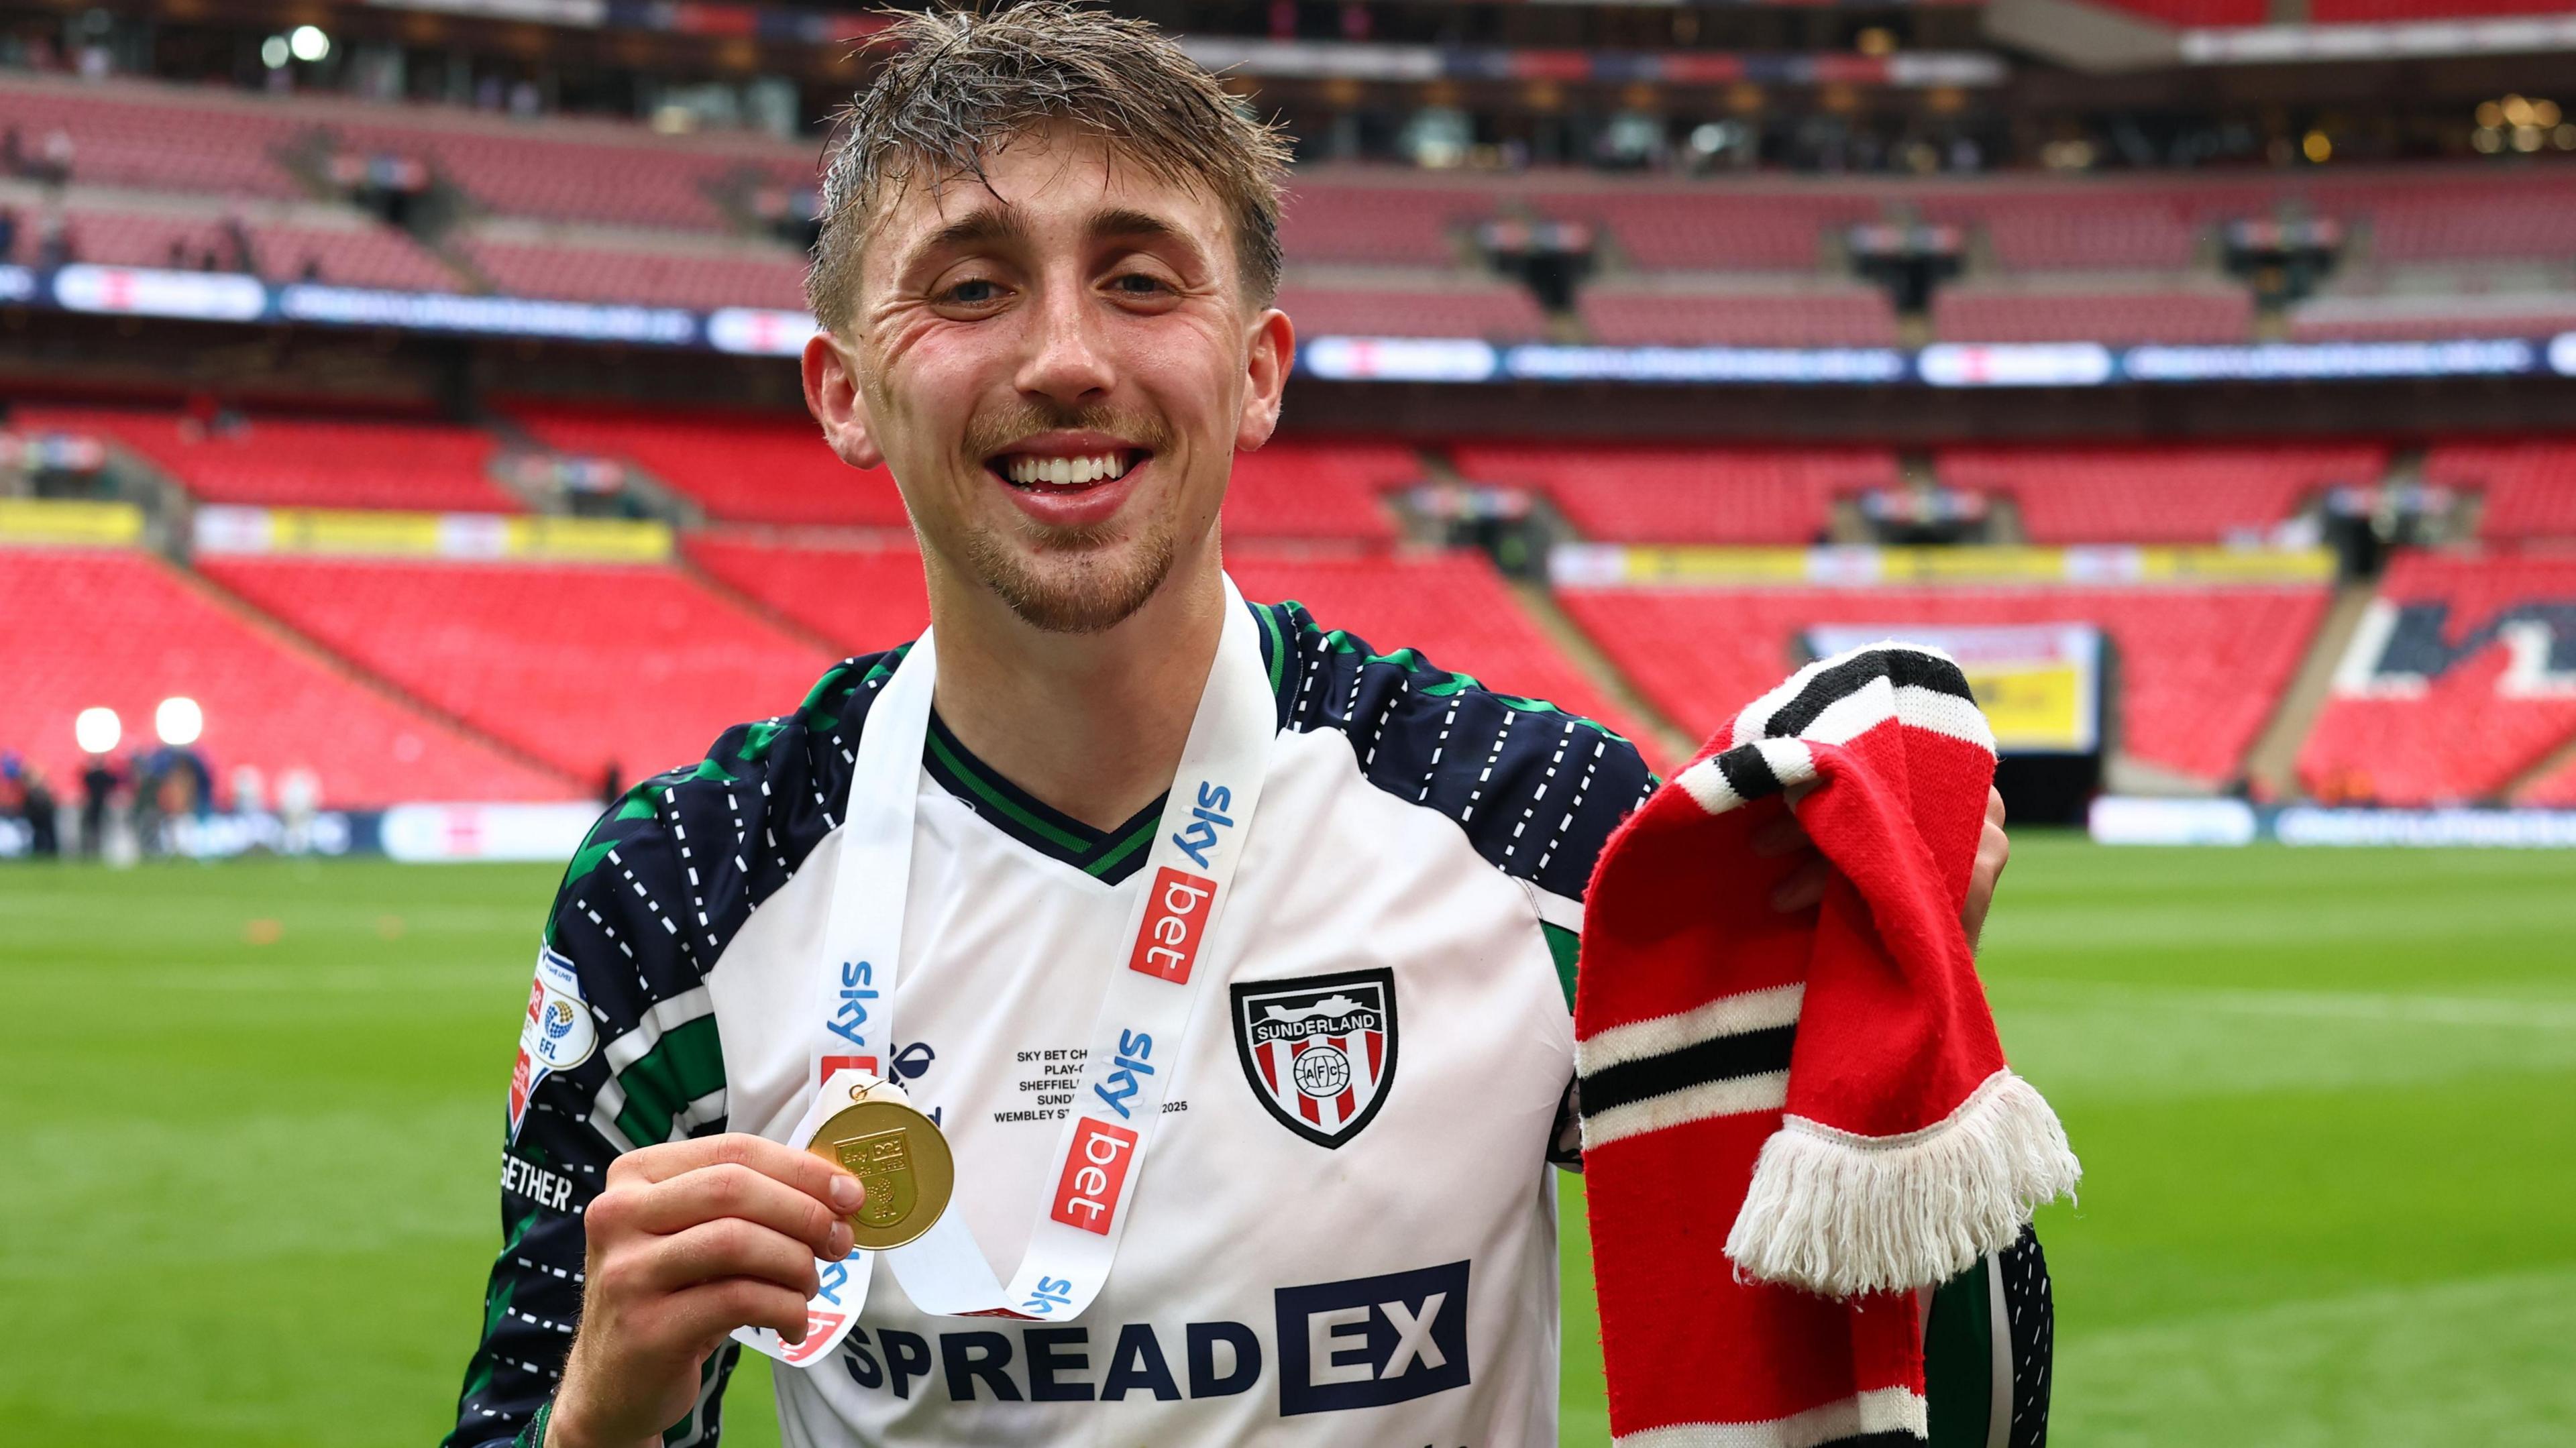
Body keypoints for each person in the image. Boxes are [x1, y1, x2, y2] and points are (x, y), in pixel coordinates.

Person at [444, 9, 2029, 1447]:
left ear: (1259, 370)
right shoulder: (677, 896)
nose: (1067, 359)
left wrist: (1894, 1025)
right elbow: (517, 1420)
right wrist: (601, 1415)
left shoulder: (1545, 832)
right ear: (844, 391)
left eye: (1141, 279)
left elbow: (1889, 1359)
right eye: (971, 286)